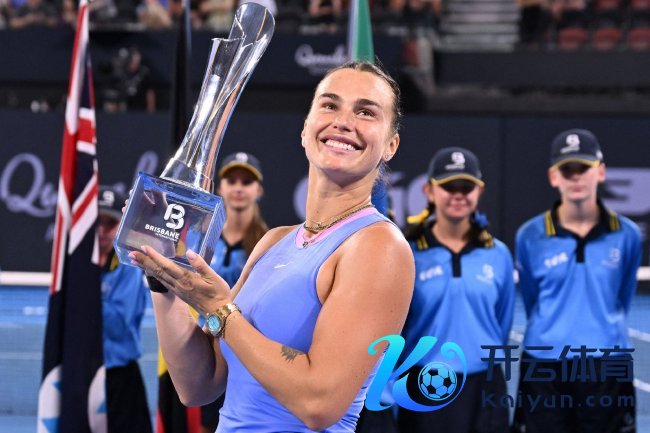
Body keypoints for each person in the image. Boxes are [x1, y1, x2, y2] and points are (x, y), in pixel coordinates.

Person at [128, 61, 414, 432]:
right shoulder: (274, 241)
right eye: (330, 105)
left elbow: (319, 403)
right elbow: (198, 385)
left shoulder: (379, 246)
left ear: (391, 145)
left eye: (365, 112)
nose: (343, 121)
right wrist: (162, 274)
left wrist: (221, 310)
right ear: (305, 129)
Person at [512, 129, 641, 433]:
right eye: (567, 170)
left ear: (601, 172)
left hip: (607, 362)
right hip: (545, 363)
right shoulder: (530, 235)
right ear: (553, 177)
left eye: (583, 168)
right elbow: (533, 300)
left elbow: (621, 297)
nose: (576, 177)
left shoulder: (627, 234)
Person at [396, 147, 514, 433]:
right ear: (429, 191)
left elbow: (503, 322)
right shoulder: (408, 254)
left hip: (485, 386)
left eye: (466, 187)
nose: (458, 195)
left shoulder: (498, 254)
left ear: (479, 191)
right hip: (425, 383)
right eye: (449, 187)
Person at [199, 151, 269, 433]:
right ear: (220, 188)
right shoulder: (201, 243)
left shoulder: (268, 245)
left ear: (259, 190)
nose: (239, 188)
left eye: (247, 182)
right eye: (232, 180)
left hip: (247, 359)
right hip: (206, 355)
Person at [98, 186, 153, 433]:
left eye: (109, 224)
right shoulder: (74, 265)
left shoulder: (129, 266)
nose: (101, 231)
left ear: (121, 227)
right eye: (96, 223)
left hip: (120, 379)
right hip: (83, 373)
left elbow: (118, 325)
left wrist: (87, 290)